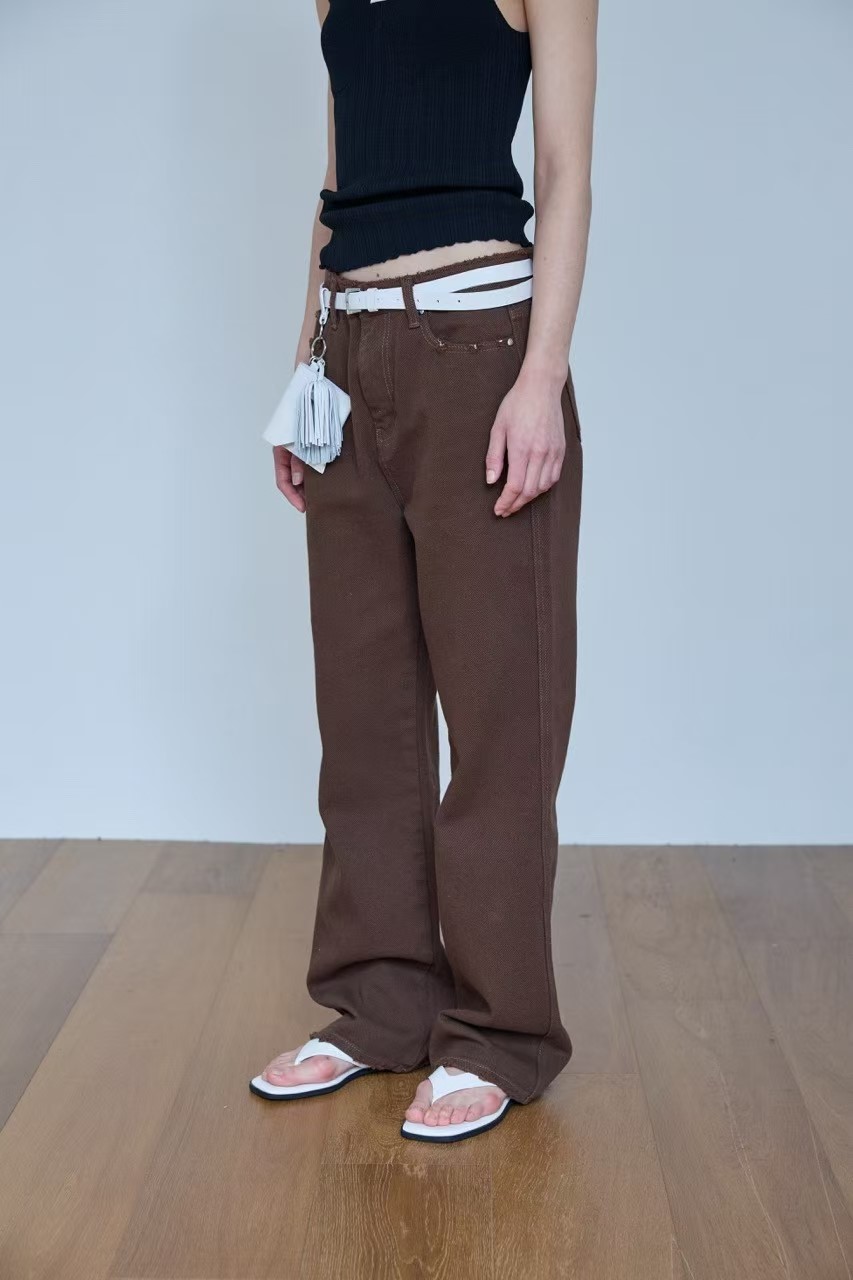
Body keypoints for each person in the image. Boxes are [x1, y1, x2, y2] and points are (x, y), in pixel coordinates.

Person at [250, 0, 598, 1143]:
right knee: (365, 714)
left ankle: (499, 1031)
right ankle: (380, 1003)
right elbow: (338, 181)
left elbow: (564, 168)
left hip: (480, 351)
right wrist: (304, 369)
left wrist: (541, 376)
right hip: (349, 355)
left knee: (498, 712)